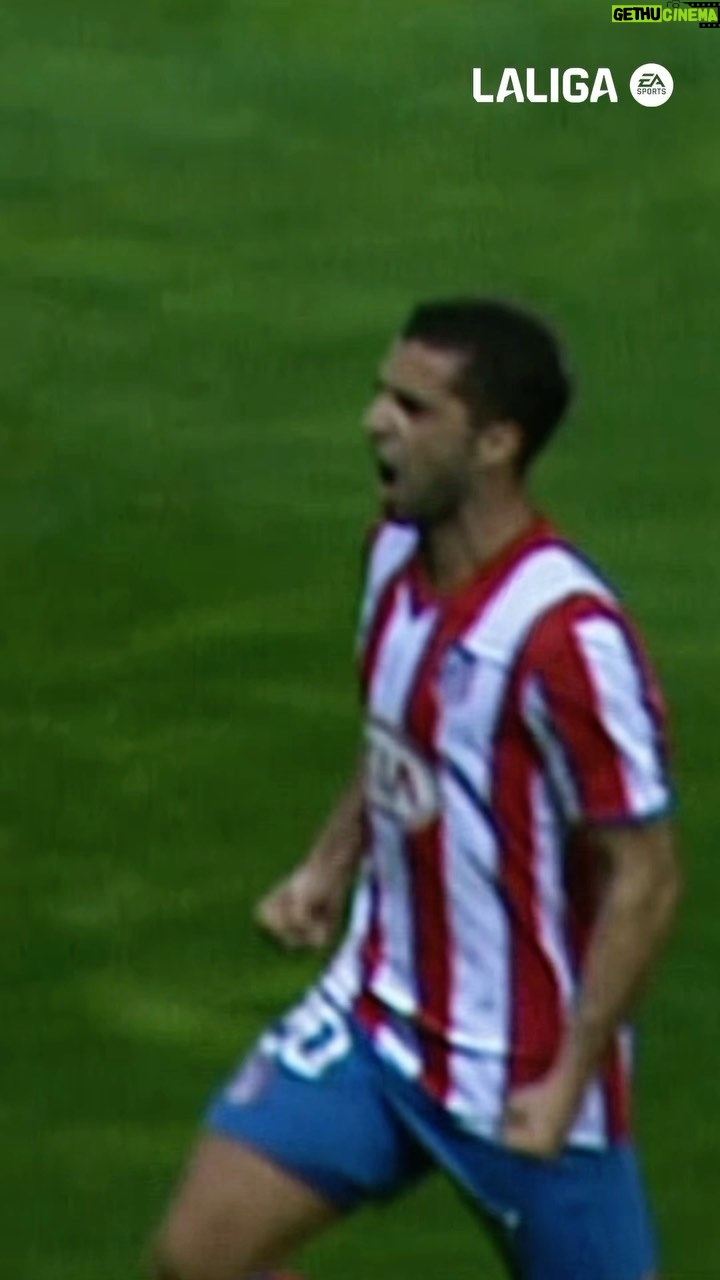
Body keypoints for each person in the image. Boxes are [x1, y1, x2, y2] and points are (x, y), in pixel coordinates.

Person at [150, 299, 681, 1280]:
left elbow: (645, 875)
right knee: (199, 1257)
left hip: (525, 1071)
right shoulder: (394, 558)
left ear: (496, 442)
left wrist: (570, 1078)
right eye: (381, 396)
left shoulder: (567, 636)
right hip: (379, 1016)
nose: (375, 423)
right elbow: (403, 733)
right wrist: (328, 864)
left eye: (413, 407)